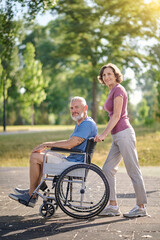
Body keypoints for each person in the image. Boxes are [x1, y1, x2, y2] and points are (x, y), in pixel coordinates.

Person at [9, 96, 97, 207]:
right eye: (71, 108)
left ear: (85, 108)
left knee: (35, 157)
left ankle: (32, 194)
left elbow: (70, 144)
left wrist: (47, 144)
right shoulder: (82, 123)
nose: (74, 110)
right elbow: (70, 142)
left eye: (77, 107)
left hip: (75, 163)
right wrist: (48, 145)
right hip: (73, 160)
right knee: (38, 156)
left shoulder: (87, 124)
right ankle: (34, 189)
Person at [94, 63, 147, 218]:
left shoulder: (119, 89)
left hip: (124, 133)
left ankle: (141, 207)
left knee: (133, 170)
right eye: (104, 75)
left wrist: (103, 134)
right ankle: (113, 206)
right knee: (108, 168)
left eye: (109, 74)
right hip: (117, 136)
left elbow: (117, 116)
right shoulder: (111, 91)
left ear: (116, 75)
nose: (106, 77)